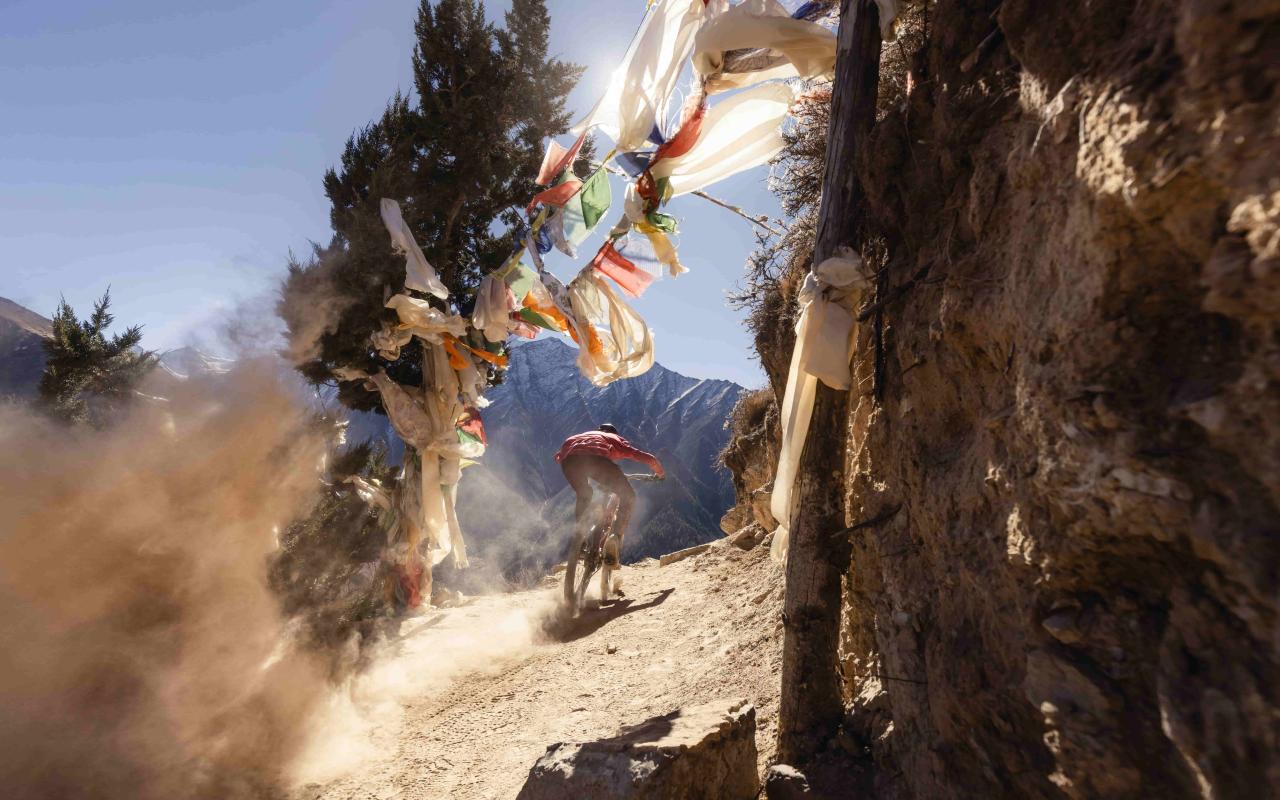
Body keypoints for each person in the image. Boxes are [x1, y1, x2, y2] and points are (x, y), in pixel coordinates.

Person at [555, 424, 664, 568]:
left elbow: (559, 456)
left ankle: (581, 537)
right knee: (628, 495)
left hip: (568, 462)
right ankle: (615, 538)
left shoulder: (581, 435)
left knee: (585, 493)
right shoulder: (613, 438)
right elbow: (637, 454)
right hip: (596, 460)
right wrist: (659, 473)